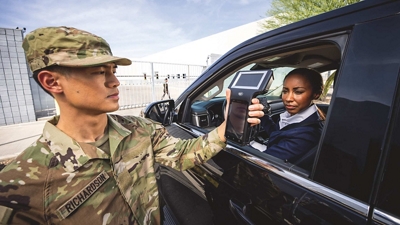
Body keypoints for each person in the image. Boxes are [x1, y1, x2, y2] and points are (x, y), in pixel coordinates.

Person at [0, 26, 264, 224]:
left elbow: (182, 156)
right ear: (52, 82)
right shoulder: (19, 186)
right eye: (99, 72)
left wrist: (227, 124)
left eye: (113, 70)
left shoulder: (140, 128)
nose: (114, 81)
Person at [259, 68, 325, 162]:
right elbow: (278, 133)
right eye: (285, 91)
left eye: (298, 92)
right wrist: (262, 116)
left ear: (316, 94)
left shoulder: (307, 135)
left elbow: (263, 161)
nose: (288, 98)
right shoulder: (295, 116)